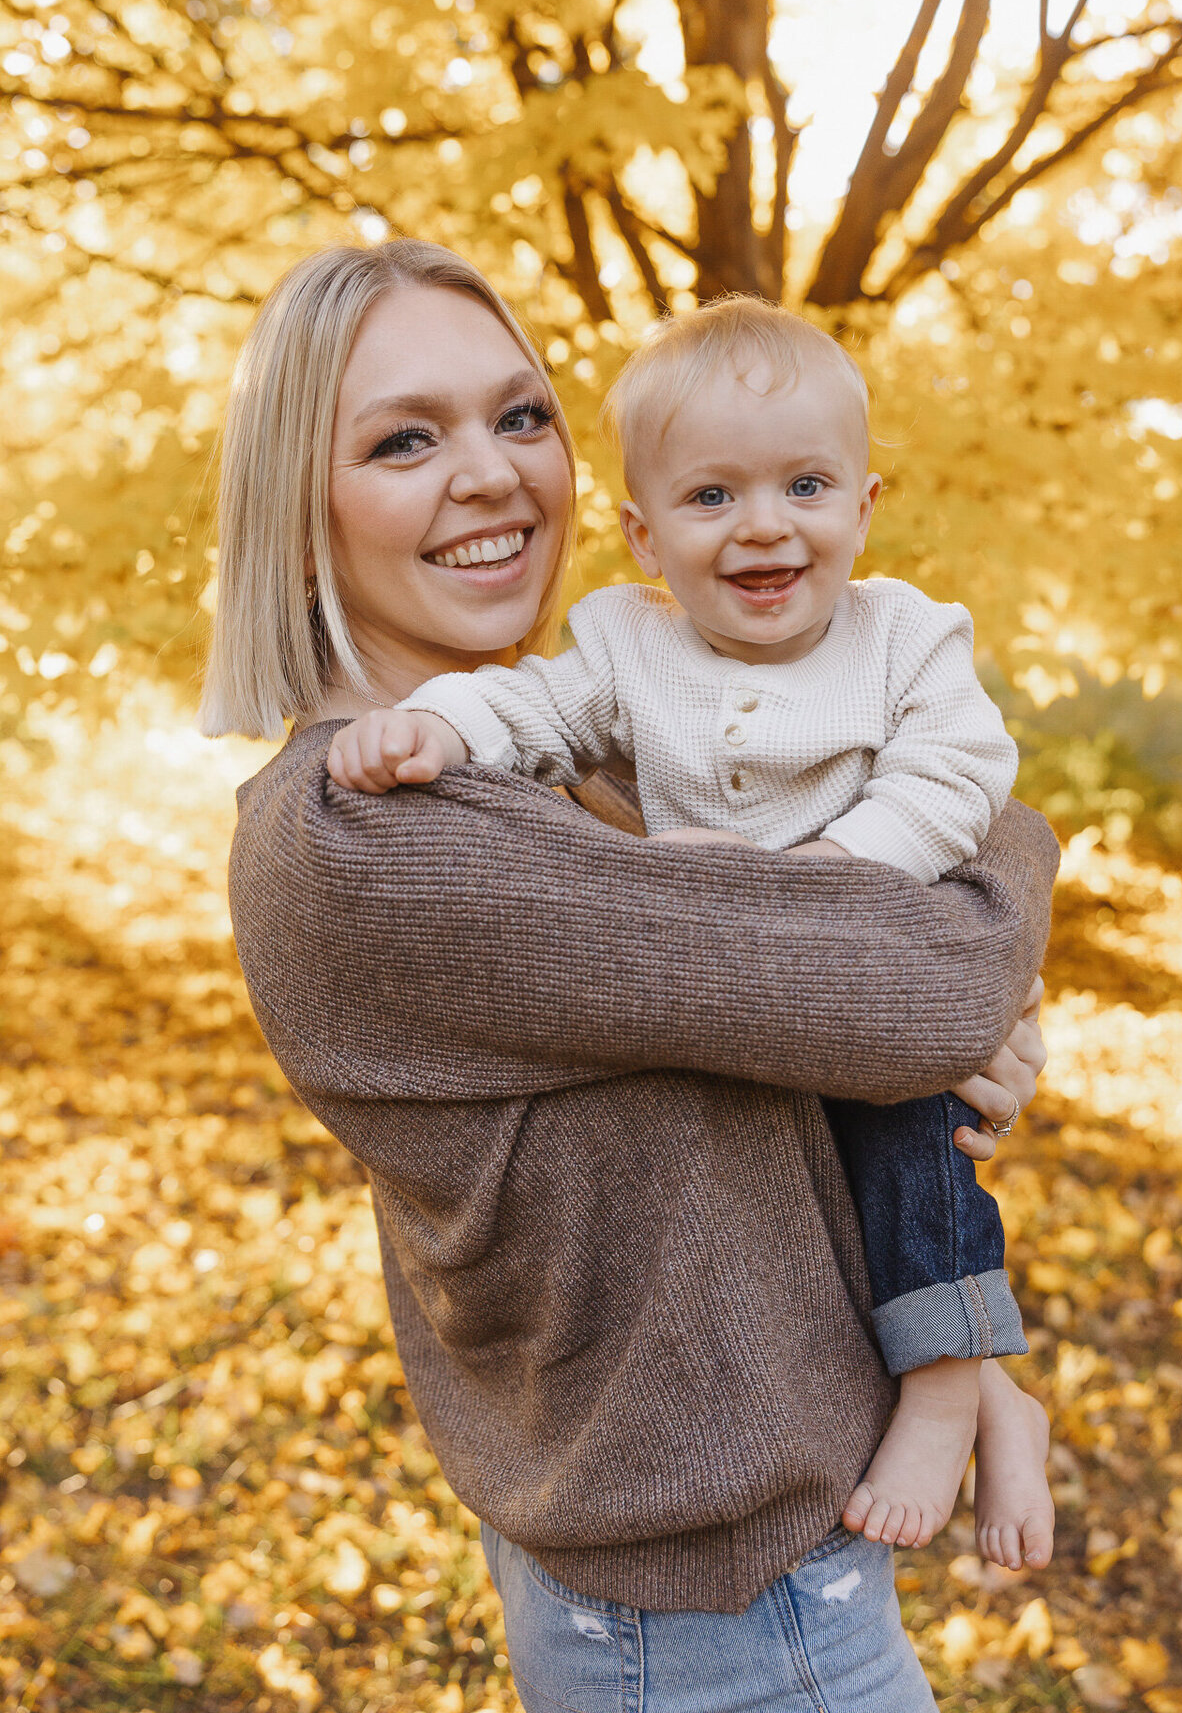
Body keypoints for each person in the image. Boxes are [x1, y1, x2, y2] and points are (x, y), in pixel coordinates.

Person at [201, 238, 1056, 1712]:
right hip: (711, 1620)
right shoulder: (372, 836)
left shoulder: (594, 770)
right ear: (295, 516)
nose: (488, 474)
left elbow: (869, 995)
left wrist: (936, 999)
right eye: (405, 439)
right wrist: (996, 905)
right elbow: (917, 986)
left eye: (519, 416)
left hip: (770, 1567)